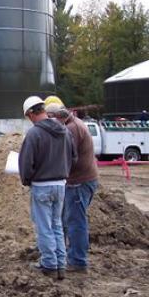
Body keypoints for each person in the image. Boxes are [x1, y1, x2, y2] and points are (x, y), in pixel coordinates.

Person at [19, 96, 76, 280]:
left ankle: (49, 265)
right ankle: (61, 264)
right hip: (60, 185)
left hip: (42, 186)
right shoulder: (65, 131)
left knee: (44, 227)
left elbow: (26, 163)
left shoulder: (34, 134)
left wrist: (27, 180)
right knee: (57, 225)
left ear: (30, 114)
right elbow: (73, 157)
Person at [44, 96, 99, 274]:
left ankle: (78, 261)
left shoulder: (72, 130)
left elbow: (66, 158)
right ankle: (69, 254)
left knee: (76, 222)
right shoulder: (73, 123)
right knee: (69, 220)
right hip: (82, 180)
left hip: (79, 183)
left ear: (55, 116)